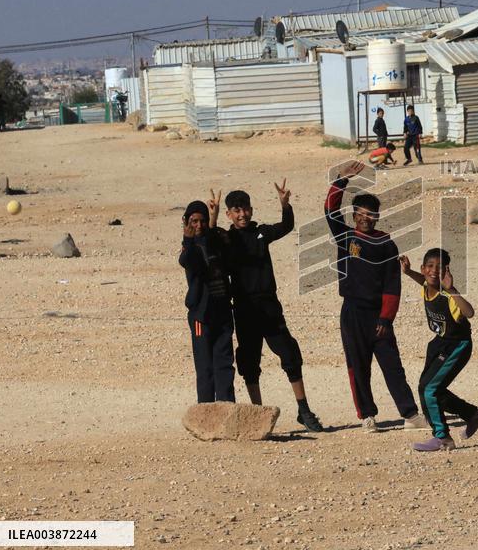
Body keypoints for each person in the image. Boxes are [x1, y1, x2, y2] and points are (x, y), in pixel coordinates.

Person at [324, 160, 426, 432]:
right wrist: (341, 180)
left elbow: (393, 285)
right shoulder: (346, 236)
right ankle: (367, 416)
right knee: (358, 367)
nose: (366, 219)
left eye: (372, 215)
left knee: (392, 365)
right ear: (355, 214)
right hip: (353, 313)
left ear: (378, 217)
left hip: (378, 315)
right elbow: (330, 210)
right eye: (361, 214)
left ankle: (411, 414)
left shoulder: (386, 244)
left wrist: (386, 317)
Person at [223, 182, 324, 432]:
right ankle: (258, 414)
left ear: (251, 210)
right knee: (249, 361)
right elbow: (209, 238)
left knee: (289, 354)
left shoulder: (261, 233)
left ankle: (303, 409)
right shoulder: (226, 239)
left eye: (245, 209)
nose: (242, 214)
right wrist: (212, 216)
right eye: (236, 210)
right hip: (245, 309)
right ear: (229, 214)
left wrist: (285, 205)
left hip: (269, 306)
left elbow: (286, 226)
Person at [400, 248, 478, 452]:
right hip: (439, 343)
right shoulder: (425, 284)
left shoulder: (448, 296)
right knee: (429, 388)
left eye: (439, 268)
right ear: (423, 269)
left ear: (446, 271)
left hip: (457, 345)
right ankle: (473, 414)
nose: (434, 271)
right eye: (430, 267)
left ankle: (442, 438)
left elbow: (470, 312)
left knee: (429, 388)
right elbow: (422, 280)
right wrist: (409, 272)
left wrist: (452, 289)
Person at [179, 194, 236, 403]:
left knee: (224, 364)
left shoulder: (216, 240)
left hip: (222, 312)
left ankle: (227, 408)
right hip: (201, 316)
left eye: (202, 220)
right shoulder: (190, 248)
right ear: (186, 222)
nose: (199, 225)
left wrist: (214, 218)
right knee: (205, 367)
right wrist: (187, 238)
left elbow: (216, 243)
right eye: (194, 221)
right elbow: (186, 261)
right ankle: (205, 412)